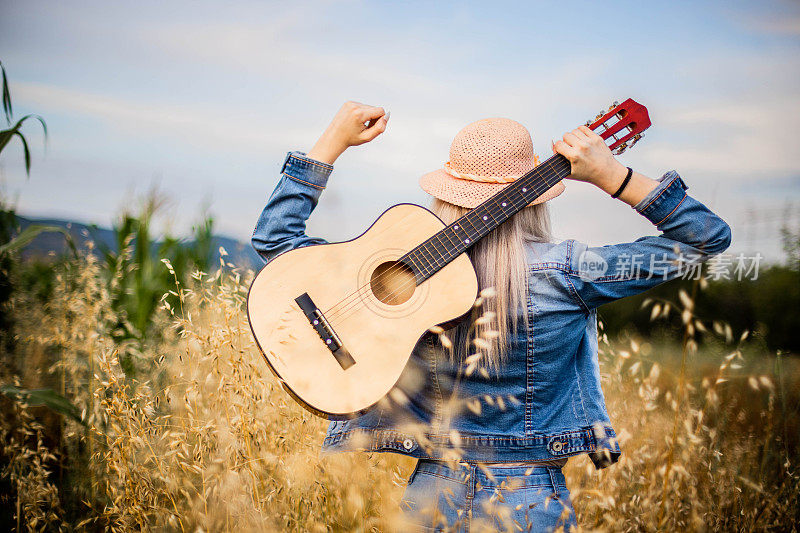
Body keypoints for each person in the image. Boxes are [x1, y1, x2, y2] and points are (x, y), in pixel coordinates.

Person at [251, 101, 731, 532]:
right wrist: (612, 175)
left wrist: (331, 141)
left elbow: (277, 244)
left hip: (430, 496)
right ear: (536, 197)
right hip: (530, 502)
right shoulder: (568, 272)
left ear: (445, 193)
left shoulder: (399, 267)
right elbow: (706, 238)